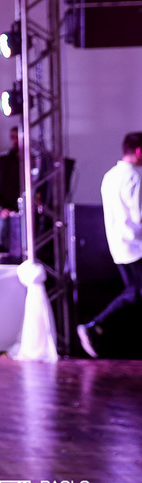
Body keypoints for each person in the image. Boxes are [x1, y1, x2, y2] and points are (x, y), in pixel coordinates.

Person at [77, 132, 142, 358]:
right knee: (135, 292)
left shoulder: (110, 176)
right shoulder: (133, 177)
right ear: (139, 151)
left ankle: (98, 327)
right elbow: (139, 215)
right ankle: (95, 325)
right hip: (136, 246)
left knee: (135, 293)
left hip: (120, 244)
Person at [0, 126, 22, 252]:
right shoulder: (1, 161)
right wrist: (1, 209)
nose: (15, 141)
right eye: (13, 137)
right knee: (1, 234)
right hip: (5, 213)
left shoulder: (33, 161)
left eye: (18, 137)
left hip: (26, 214)